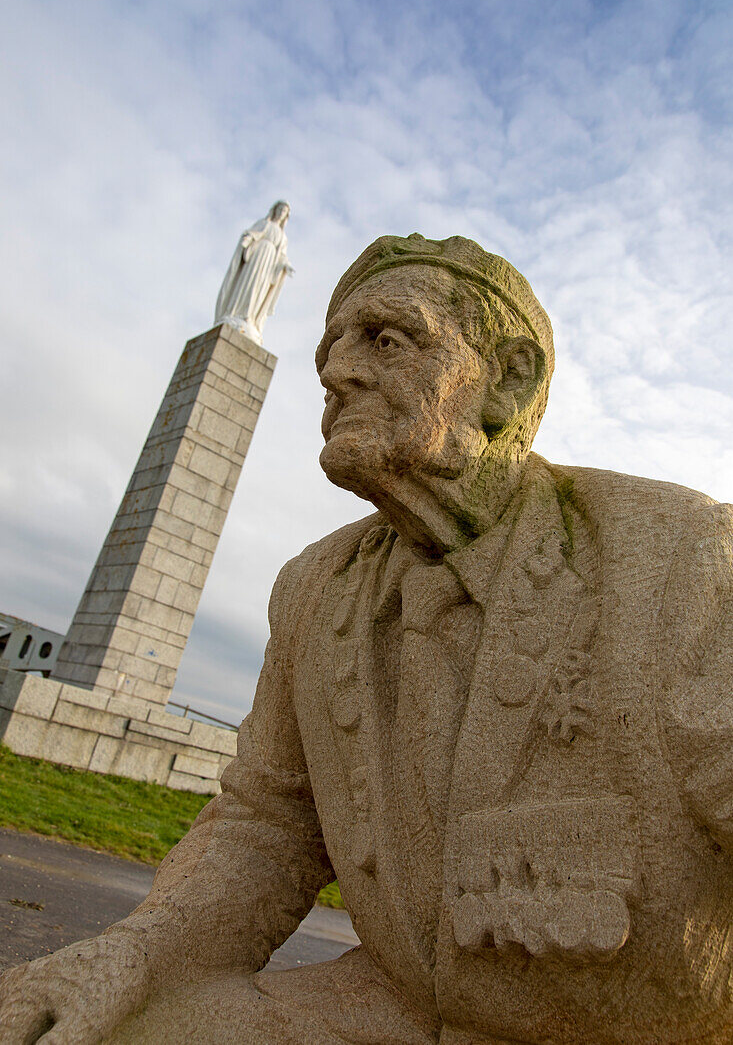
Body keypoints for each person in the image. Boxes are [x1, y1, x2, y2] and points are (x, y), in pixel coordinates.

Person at [1, 234, 731, 1044]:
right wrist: (135, 953)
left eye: (387, 340)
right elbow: (267, 827)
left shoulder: (680, 562)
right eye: (331, 350)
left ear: (508, 379)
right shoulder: (313, 588)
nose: (337, 372)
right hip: (393, 1011)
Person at [214, 200, 293, 344]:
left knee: (259, 291)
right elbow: (251, 235)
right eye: (280, 209)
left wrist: (285, 265)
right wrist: (247, 241)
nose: (281, 213)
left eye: (285, 212)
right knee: (247, 285)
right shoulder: (265, 224)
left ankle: (250, 318)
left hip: (268, 265)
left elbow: (282, 256)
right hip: (255, 258)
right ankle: (237, 312)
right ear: (275, 210)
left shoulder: (283, 237)